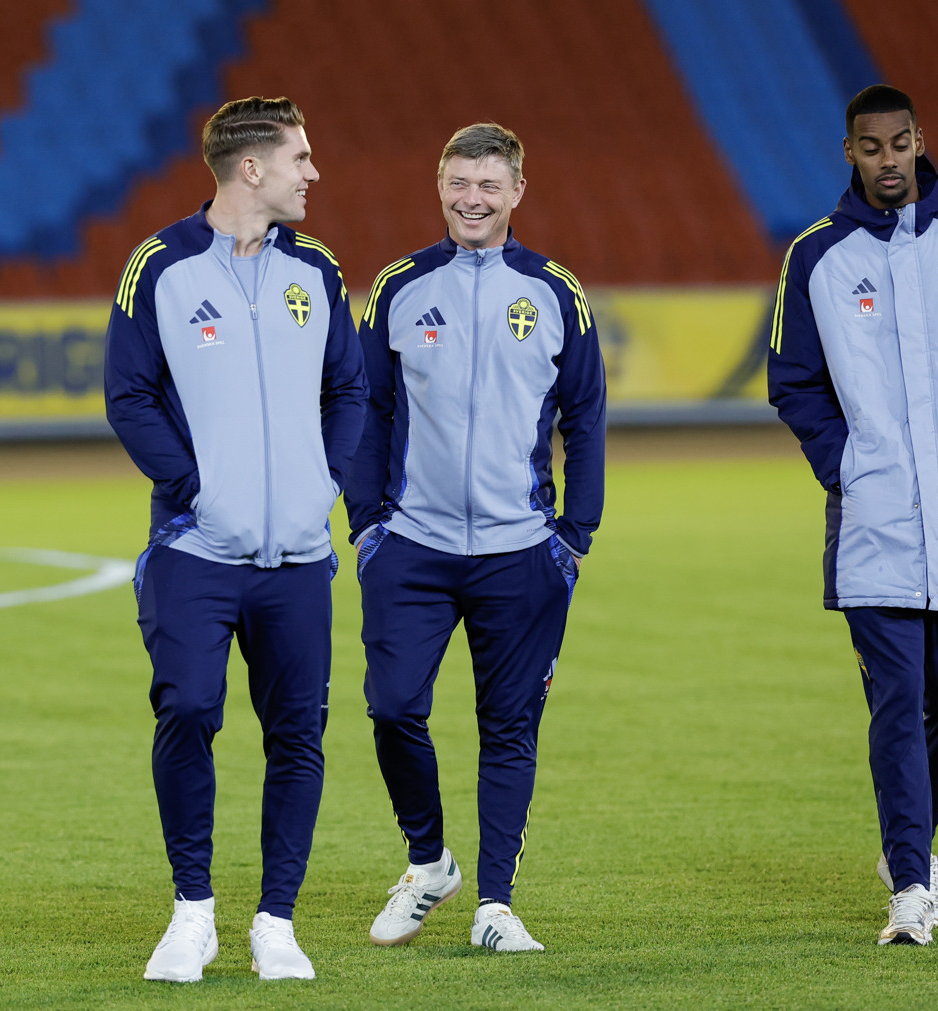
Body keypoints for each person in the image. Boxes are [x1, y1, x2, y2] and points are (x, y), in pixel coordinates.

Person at [767, 85, 938, 946]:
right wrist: (846, 467)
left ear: (919, 141)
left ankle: (912, 848)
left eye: (899, 143)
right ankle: (911, 888)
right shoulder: (816, 257)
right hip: (876, 522)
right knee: (897, 701)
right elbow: (792, 380)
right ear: (849, 152)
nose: (887, 159)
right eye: (870, 146)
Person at [104, 96, 366, 981]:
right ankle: (193, 913)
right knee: (186, 707)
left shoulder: (317, 270)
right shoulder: (160, 266)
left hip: (297, 557)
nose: (313, 172)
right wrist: (194, 490)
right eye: (300, 157)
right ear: (251, 168)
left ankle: (276, 922)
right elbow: (128, 395)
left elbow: (349, 389)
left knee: (297, 734)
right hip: (195, 549)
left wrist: (322, 482)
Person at [345, 122, 606, 953]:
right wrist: (367, 525)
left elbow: (586, 418)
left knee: (509, 728)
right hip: (411, 547)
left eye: (489, 184)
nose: (472, 199)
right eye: (459, 182)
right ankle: (429, 863)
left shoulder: (555, 291)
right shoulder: (400, 286)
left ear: (517, 191)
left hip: (522, 552)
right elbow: (366, 408)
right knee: (392, 707)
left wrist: (574, 537)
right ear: (439, 185)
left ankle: (496, 904)